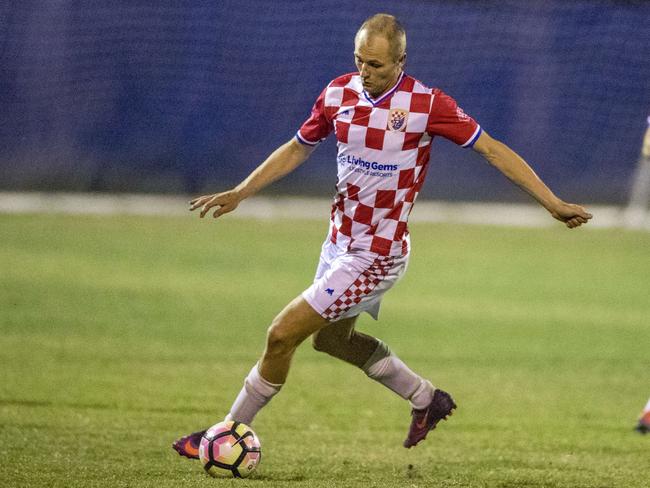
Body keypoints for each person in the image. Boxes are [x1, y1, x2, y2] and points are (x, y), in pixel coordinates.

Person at [172, 13, 593, 459]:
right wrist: (242, 191)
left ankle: (226, 431)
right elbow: (299, 146)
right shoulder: (338, 92)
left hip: (377, 254)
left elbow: (492, 150)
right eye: (360, 62)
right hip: (337, 245)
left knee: (280, 335)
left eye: (375, 65)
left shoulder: (426, 104)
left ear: (400, 61)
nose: (365, 73)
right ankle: (427, 399)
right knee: (331, 339)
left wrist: (552, 202)